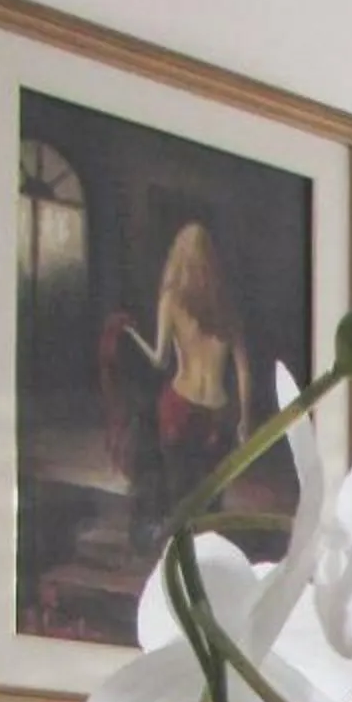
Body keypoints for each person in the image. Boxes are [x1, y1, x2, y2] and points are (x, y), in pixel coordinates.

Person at [107, 219, 251, 535]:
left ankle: (176, 564)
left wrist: (132, 334)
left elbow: (160, 360)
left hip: (179, 406)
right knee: (212, 497)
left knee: (179, 494)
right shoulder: (226, 307)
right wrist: (244, 420)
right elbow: (242, 369)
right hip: (218, 410)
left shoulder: (171, 301)